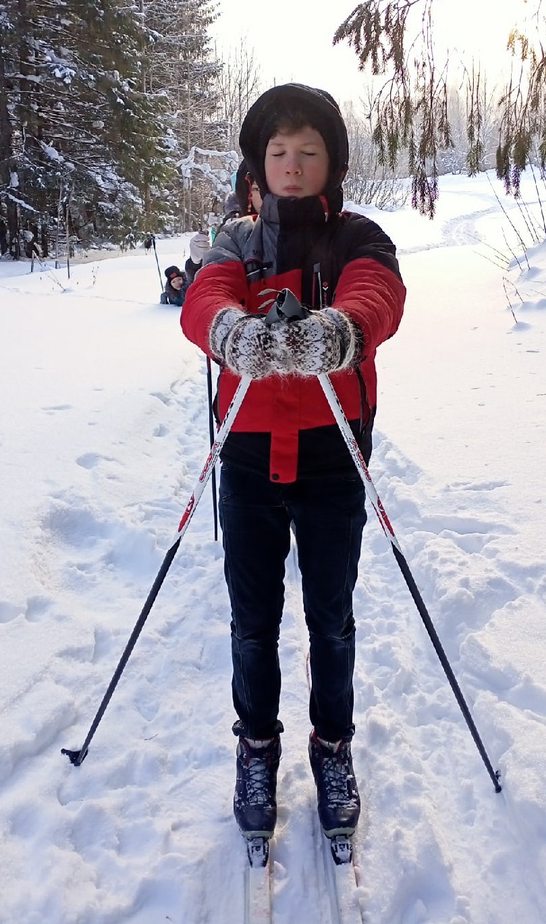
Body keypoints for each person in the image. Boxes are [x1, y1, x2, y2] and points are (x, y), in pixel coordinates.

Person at [180, 83, 405, 846]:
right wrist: (228, 333)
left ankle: (331, 747)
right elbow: (205, 296)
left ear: (331, 164)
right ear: (257, 164)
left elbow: (378, 295)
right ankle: (257, 746)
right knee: (253, 624)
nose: (292, 164)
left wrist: (341, 330)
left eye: (308, 152)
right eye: (279, 152)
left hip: (333, 458)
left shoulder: (357, 237)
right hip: (246, 459)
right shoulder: (236, 241)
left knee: (330, 622)